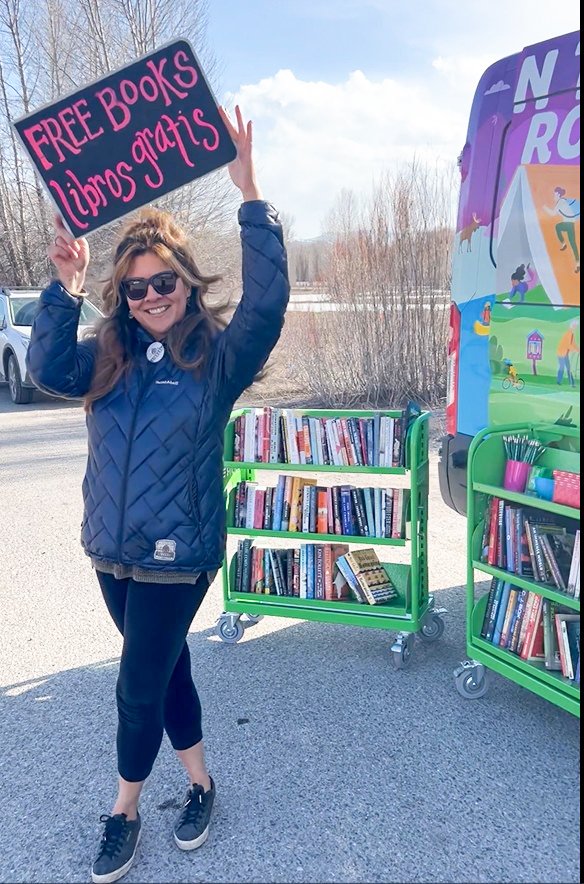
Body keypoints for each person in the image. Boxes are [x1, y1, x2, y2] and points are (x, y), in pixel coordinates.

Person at [26, 105, 290, 884]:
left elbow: (268, 304)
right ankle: (204, 785)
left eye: (164, 280)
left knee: (136, 685)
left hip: (179, 555)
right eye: (135, 286)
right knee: (167, 670)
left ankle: (124, 811)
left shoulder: (217, 358)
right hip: (110, 551)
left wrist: (251, 195)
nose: (150, 295)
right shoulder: (106, 352)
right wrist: (61, 287)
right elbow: (45, 369)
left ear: (185, 278)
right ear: (122, 292)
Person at [544, 186, 580, 273]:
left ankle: (563, 244)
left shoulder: (561, 202)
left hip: (568, 224)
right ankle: (578, 263)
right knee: (573, 244)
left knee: (558, 227)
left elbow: (552, 214)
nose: (554, 195)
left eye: (555, 194)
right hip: (570, 224)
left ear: (558, 194)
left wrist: (544, 207)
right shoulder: (563, 201)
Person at [556, 319, 580, 386]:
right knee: (562, 367)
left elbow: (573, 343)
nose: (575, 327)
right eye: (575, 326)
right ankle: (559, 381)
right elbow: (568, 345)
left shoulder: (571, 333)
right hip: (561, 353)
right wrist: (574, 350)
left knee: (568, 368)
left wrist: (578, 349)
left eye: (576, 326)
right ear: (572, 326)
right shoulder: (569, 333)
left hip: (565, 353)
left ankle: (571, 382)